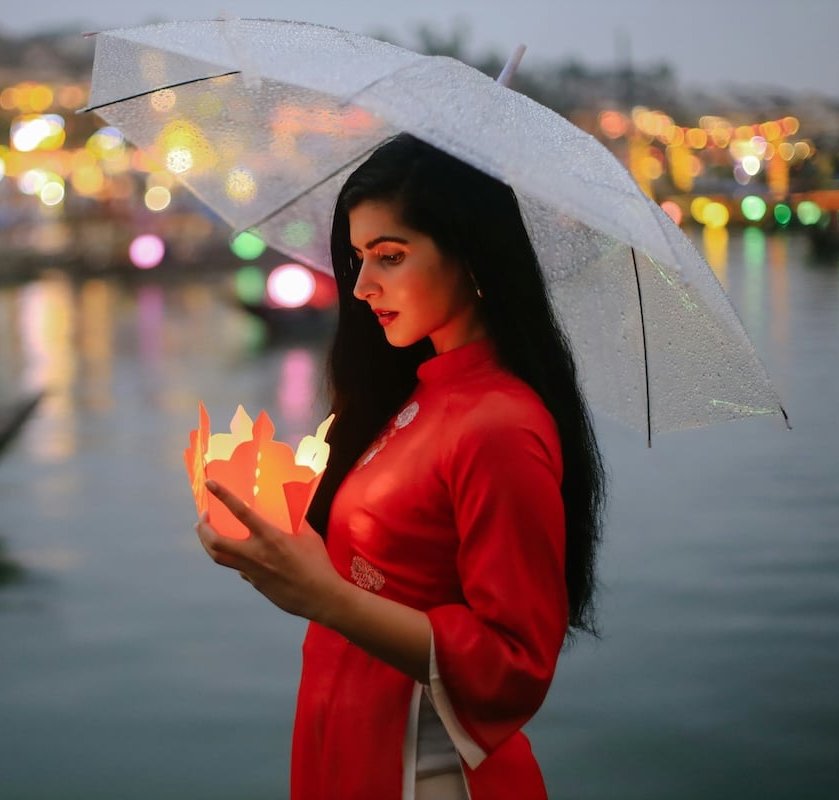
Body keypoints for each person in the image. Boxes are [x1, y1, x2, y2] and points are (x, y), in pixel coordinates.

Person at [196, 133, 606, 799]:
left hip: (427, 768)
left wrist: (324, 597)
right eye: (358, 258)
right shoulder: (416, 394)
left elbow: (515, 663)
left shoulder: (500, 425)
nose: (362, 286)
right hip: (346, 734)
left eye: (389, 256)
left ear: (471, 254)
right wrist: (272, 541)